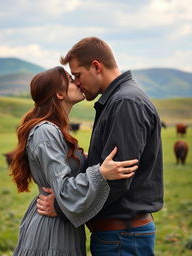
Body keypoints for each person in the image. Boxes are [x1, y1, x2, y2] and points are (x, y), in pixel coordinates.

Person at [37, 37, 163, 256]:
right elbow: (108, 171)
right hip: (120, 237)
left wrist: (62, 208)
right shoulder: (118, 99)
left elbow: (119, 178)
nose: (76, 82)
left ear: (96, 66)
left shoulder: (125, 103)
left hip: (122, 238)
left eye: (77, 75)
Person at [10, 66, 139, 255]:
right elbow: (63, 190)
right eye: (71, 80)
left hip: (63, 224)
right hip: (51, 230)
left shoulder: (57, 130)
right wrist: (100, 173)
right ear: (59, 93)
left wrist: (84, 163)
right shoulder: (46, 132)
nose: (78, 82)